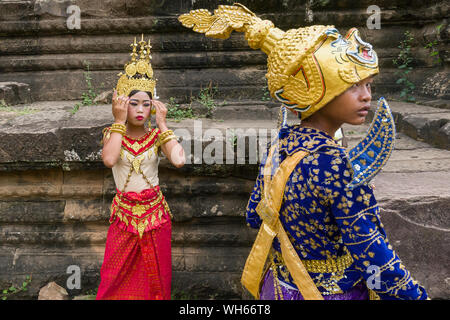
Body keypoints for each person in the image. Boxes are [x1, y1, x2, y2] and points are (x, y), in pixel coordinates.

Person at [179, 4, 428, 300]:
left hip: (280, 287)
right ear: (316, 91)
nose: (366, 96)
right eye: (353, 85)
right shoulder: (335, 163)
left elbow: (255, 216)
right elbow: (371, 250)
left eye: (368, 85)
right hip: (332, 293)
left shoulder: (280, 146)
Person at [96, 36, 185, 300]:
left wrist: (163, 124)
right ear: (122, 103)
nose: (140, 110)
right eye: (133, 103)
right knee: (114, 278)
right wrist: (118, 121)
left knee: (155, 278)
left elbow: (179, 160)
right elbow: (110, 160)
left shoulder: (157, 136)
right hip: (124, 216)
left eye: (146, 104)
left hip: (155, 216)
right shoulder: (113, 134)